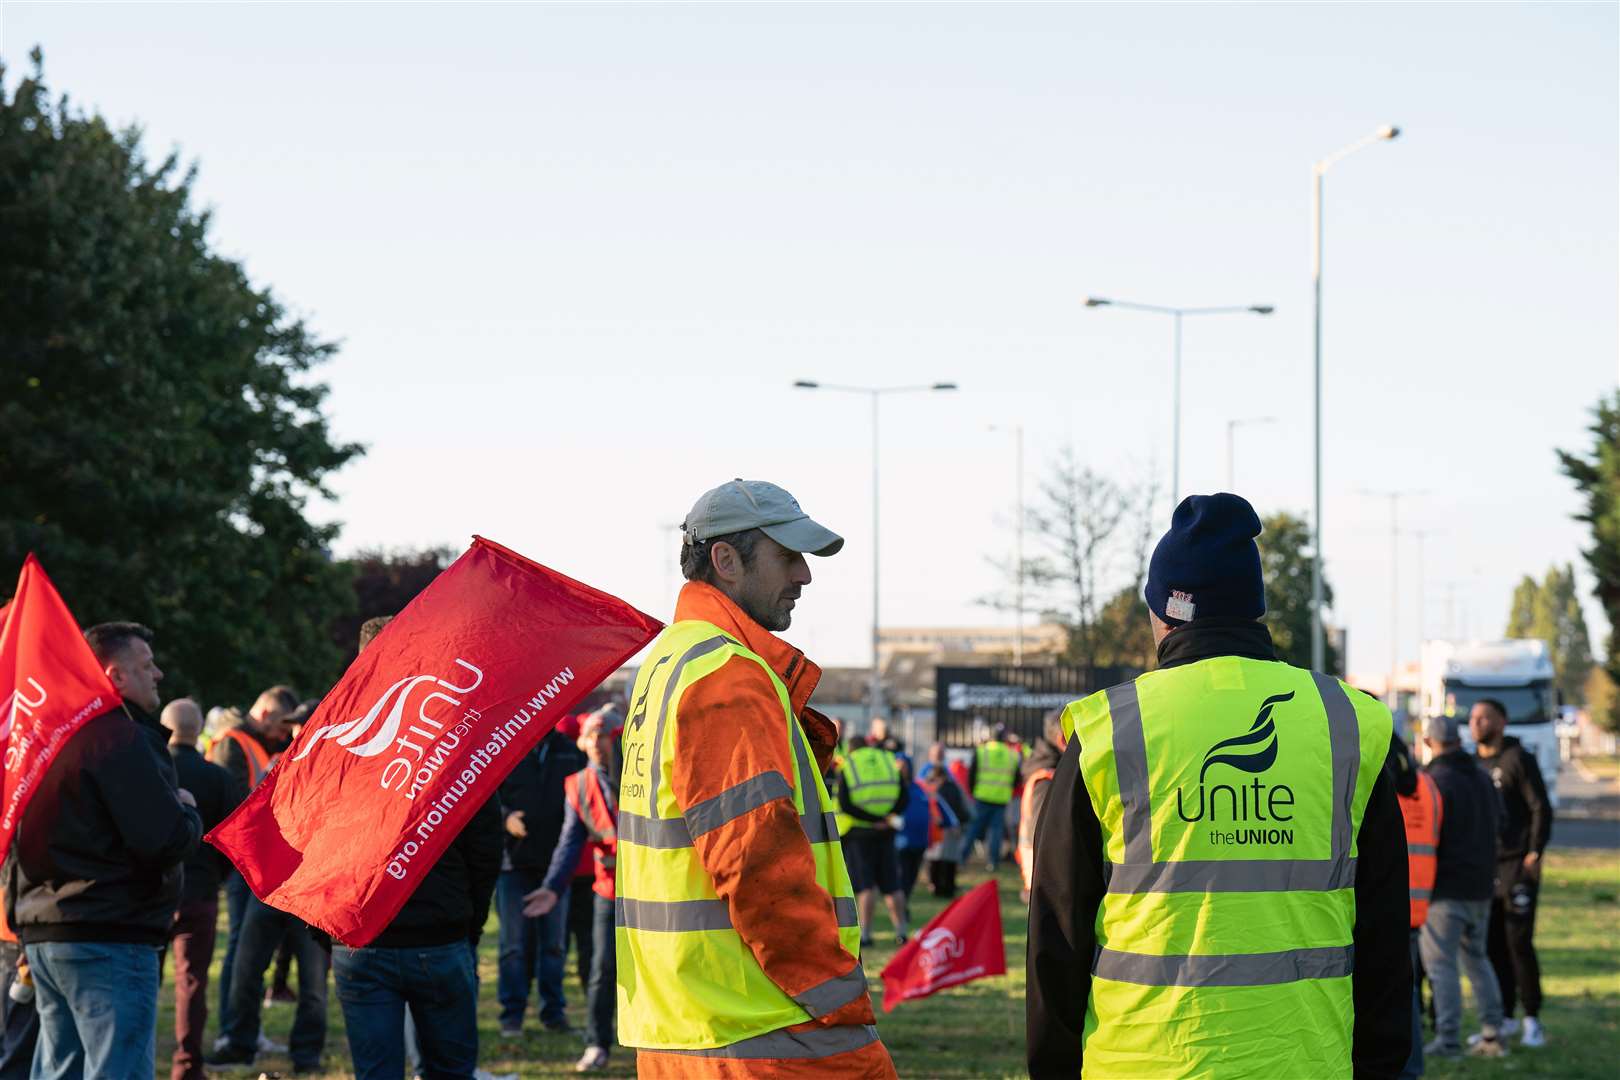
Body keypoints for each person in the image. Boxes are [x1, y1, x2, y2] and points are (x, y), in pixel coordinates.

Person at [1027, 493, 1411, 1078]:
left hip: (1142, 1062)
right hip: (1304, 1061)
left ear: (1165, 613)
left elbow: (1057, 933)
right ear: (1252, 609)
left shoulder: (1111, 728)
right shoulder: (1346, 722)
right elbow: (1384, 932)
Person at [616, 478, 896, 1077]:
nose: (805, 576)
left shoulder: (670, 660)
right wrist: (835, 992)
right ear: (726, 560)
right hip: (766, 1028)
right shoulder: (725, 672)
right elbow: (756, 863)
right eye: (787, 556)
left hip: (686, 1023)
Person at [5, 622, 202, 1079]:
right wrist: (187, 812)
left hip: (46, 933)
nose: (159, 674)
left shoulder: (42, 740)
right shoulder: (119, 738)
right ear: (115, 676)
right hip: (107, 935)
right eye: (147, 665)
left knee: (59, 1069)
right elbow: (162, 840)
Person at [328, 615, 504, 1080]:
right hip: (431, 933)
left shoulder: (331, 740)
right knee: (448, 1070)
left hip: (367, 933)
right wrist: (471, 922)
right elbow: (485, 845)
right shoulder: (453, 734)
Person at [524, 709, 623, 1073]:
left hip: (650, 892)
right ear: (582, 742)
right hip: (608, 891)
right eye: (592, 736)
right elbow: (569, 843)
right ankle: (597, 1044)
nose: (598, 743)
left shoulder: (639, 776)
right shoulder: (578, 785)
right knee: (600, 968)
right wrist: (552, 887)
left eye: (605, 735)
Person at [209, 684, 297, 1046]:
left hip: (252, 859)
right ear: (263, 713)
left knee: (250, 948)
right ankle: (232, 1031)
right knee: (238, 948)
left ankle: (245, 1027)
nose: (280, 735)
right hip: (240, 861)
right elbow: (233, 801)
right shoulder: (233, 742)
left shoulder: (255, 742)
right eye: (278, 726)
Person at [163, 698, 244, 1080]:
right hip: (200, 891)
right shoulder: (217, 778)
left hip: (152, 891)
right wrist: (217, 875)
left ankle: (135, 1057)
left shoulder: (151, 770)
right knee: (193, 981)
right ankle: (187, 1065)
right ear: (198, 732)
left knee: (140, 978)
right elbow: (234, 836)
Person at [1420, 714, 1508, 1059]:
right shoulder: (1484, 778)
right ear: (1459, 740)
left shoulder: (1431, 781)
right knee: (1477, 959)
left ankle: (1449, 1040)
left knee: (1441, 966)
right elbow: (1501, 823)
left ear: (1429, 743)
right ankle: (1493, 1032)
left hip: (1443, 887)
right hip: (1481, 884)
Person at [494, 712, 585, 1037]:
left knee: (554, 946)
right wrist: (505, 819)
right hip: (512, 865)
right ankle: (512, 1017)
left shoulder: (569, 750)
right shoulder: (506, 746)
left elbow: (583, 797)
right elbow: (484, 796)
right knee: (513, 946)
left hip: (555, 865)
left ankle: (553, 1014)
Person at [1470, 697, 1553, 1049]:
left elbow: (1540, 807)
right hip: (1485, 869)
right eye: (1473, 718)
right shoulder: (1473, 765)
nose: (1476, 724)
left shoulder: (1519, 759)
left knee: (1519, 943)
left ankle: (1532, 1020)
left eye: (1484, 718)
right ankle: (1503, 1017)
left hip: (1518, 865)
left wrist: (1534, 852)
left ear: (1501, 722)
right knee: (1492, 946)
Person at [1390, 730, 1440, 1079]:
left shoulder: (1365, 777)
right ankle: (1410, 1069)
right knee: (1404, 995)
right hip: (1415, 906)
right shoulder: (1427, 786)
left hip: (1377, 905)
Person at [836, 737, 911, 947]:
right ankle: (901, 932)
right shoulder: (888, 760)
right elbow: (905, 797)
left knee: (865, 886)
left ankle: (866, 935)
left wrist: (872, 820)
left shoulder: (848, 765)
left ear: (851, 749)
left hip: (860, 834)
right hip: (887, 832)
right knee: (892, 886)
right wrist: (888, 818)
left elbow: (845, 804)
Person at [1015, 711, 1066, 904]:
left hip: (1046, 880)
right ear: (1062, 739)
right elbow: (1044, 834)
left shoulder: (1048, 770)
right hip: (1048, 883)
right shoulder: (1047, 779)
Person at [961, 724, 1017, 871]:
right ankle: (993, 862)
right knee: (996, 832)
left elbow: (971, 775)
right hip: (1001, 799)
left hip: (982, 797)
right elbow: (1017, 779)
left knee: (973, 829)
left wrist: (974, 791)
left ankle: (961, 858)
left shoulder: (981, 752)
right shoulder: (1012, 755)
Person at [918, 744, 968, 898]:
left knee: (948, 859)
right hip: (935, 825)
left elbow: (958, 801)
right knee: (935, 858)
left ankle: (947, 886)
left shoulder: (950, 777)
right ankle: (936, 885)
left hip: (949, 825)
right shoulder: (925, 773)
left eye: (941, 752)